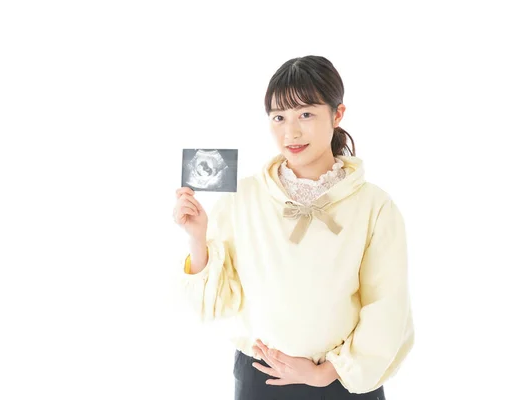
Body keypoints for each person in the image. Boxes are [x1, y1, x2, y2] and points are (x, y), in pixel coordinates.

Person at [173, 55, 414, 400]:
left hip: (344, 383)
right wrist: (197, 237)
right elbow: (216, 304)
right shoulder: (244, 197)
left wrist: (325, 373)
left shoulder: (374, 206)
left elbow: (388, 308)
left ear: (337, 114)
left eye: (306, 114)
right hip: (261, 379)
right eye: (279, 117)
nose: (291, 132)